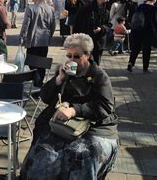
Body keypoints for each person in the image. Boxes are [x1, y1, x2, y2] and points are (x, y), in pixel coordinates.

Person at [20, 33, 119, 179]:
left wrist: (74, 110)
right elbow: (45, 97)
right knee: (44, 154)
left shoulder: (99, 76)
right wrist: (59, 80)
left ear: (88, 55)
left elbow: (105, 106)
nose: (72, 60)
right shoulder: (65, 72)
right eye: (69, 56)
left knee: (81, 156)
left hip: (94, 126)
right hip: (63, 124)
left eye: (77, 56)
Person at [20, 0, 56, 86]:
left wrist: (22, 37)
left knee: (32, 63)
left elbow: (25, 25)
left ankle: (37, 82)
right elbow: (53, 25)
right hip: (44, 41)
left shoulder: (31, 8)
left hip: (33, 41)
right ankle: (39, 83)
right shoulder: (50, 9)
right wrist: (49, 36)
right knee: (42, 63)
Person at [73, 0, 111, 65]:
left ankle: (94, 77)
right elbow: (77, 24)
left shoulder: (106, 9)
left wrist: (102, 29)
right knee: (84, 64)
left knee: (96, 65)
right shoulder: (86, 8)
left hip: (99, 43)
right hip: (86, 42)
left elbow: (108, 25)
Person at [127, 0, 157, 73]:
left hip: (137, 30)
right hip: (148, 31)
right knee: (146, 49)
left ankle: (131, 62)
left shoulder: (140, 6)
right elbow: (155, 21)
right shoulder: (154, 9)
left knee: (136, 47)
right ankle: (145, 68)